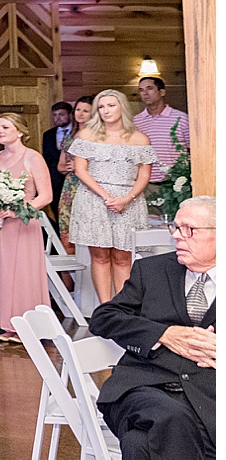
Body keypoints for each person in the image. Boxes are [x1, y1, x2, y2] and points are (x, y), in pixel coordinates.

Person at [87, 195, 216, 460]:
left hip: (206, 405)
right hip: (139, 391)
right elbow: (104, 318)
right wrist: (164, 334)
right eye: (175, 228)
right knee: (164, 418)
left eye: (190, 230)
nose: (177, 237)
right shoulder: (153, 271)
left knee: (145, 444)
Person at [68, 88, 155, 304]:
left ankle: (122, 308)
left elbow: (144, 175)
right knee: (99, 256)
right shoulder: (87, 135)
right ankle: (106, 308)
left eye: (111, 105)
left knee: (123, 257)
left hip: (129, 200)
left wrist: (127, 198)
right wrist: (107, 196)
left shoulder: (140, 138)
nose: (106, 111)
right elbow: (81, 171)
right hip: (94, 199)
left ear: (122, 107)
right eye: (101, 107)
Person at [0, 113, 52, 343]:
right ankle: (7, 323)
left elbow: (45, 196)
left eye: (5, 127)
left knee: (22, 274)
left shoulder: (33, 158)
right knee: (1, 273)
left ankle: (26, 325)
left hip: (23, 224)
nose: (0, 131)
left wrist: (18, 210)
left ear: (19, 131)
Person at [135, 76, 191, 191]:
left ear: (162, 92)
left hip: (176, 184)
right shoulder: (135, 121)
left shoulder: (181, 118)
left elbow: (195, 151)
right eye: (141, 90)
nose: (145, 93)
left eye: (149, 88)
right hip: (146, 185)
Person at [58, 96, 96, 234]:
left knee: (87, 227)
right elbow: (60, 165)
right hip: (70, 185)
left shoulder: (97, 136)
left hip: (89, 184)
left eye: (85, 111)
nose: (80, 113)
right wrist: (67, 167)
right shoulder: (70, 135)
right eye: (78, 109)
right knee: (67, 225)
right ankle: (70, 255)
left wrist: (81, 166)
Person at [41, 100, 76, 208]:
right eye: (55, 115)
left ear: (70, 114)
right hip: (55, 181)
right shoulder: (48, 134)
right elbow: (46, 158)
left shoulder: (77, 132)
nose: (58, 118)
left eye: (61, 114)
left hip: (73, 177)